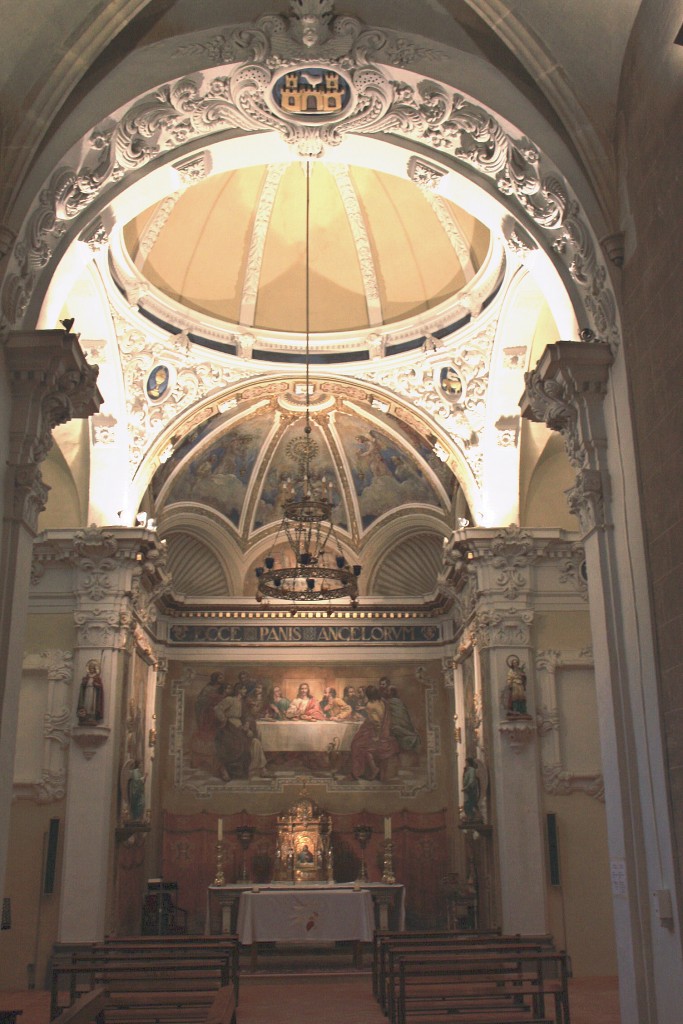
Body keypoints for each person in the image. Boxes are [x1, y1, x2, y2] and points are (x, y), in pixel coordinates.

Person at [214, 682, 267, 780]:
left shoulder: (243, 702)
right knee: (237, 745)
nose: (246, 691)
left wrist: (247, 724)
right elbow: (217, 709)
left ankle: (260, 769)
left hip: (239, 726)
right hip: (228, 728)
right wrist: (223, 720)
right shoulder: (230, 700)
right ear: (239, 690)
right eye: (244, 689)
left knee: (254, 741)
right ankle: (225, 770)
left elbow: (247, 715)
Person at [350, 684, 399, 781]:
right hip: (385, 731)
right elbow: (379, 712)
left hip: (377, 733)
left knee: (356, 745)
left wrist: (376, 736)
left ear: (368, 695)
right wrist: (364, 709)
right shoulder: (382, 701)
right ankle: (372, 769)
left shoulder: (370, 705)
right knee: (360, 743)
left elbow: (376, 722)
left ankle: (371, 769)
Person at [386, 685, 421, 751]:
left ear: (391, 693)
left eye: (388, 691)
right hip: (404, 724)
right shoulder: (399, 701)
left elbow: (402, 714)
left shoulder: (390, 702)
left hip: (399, 725)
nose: (386, 692)